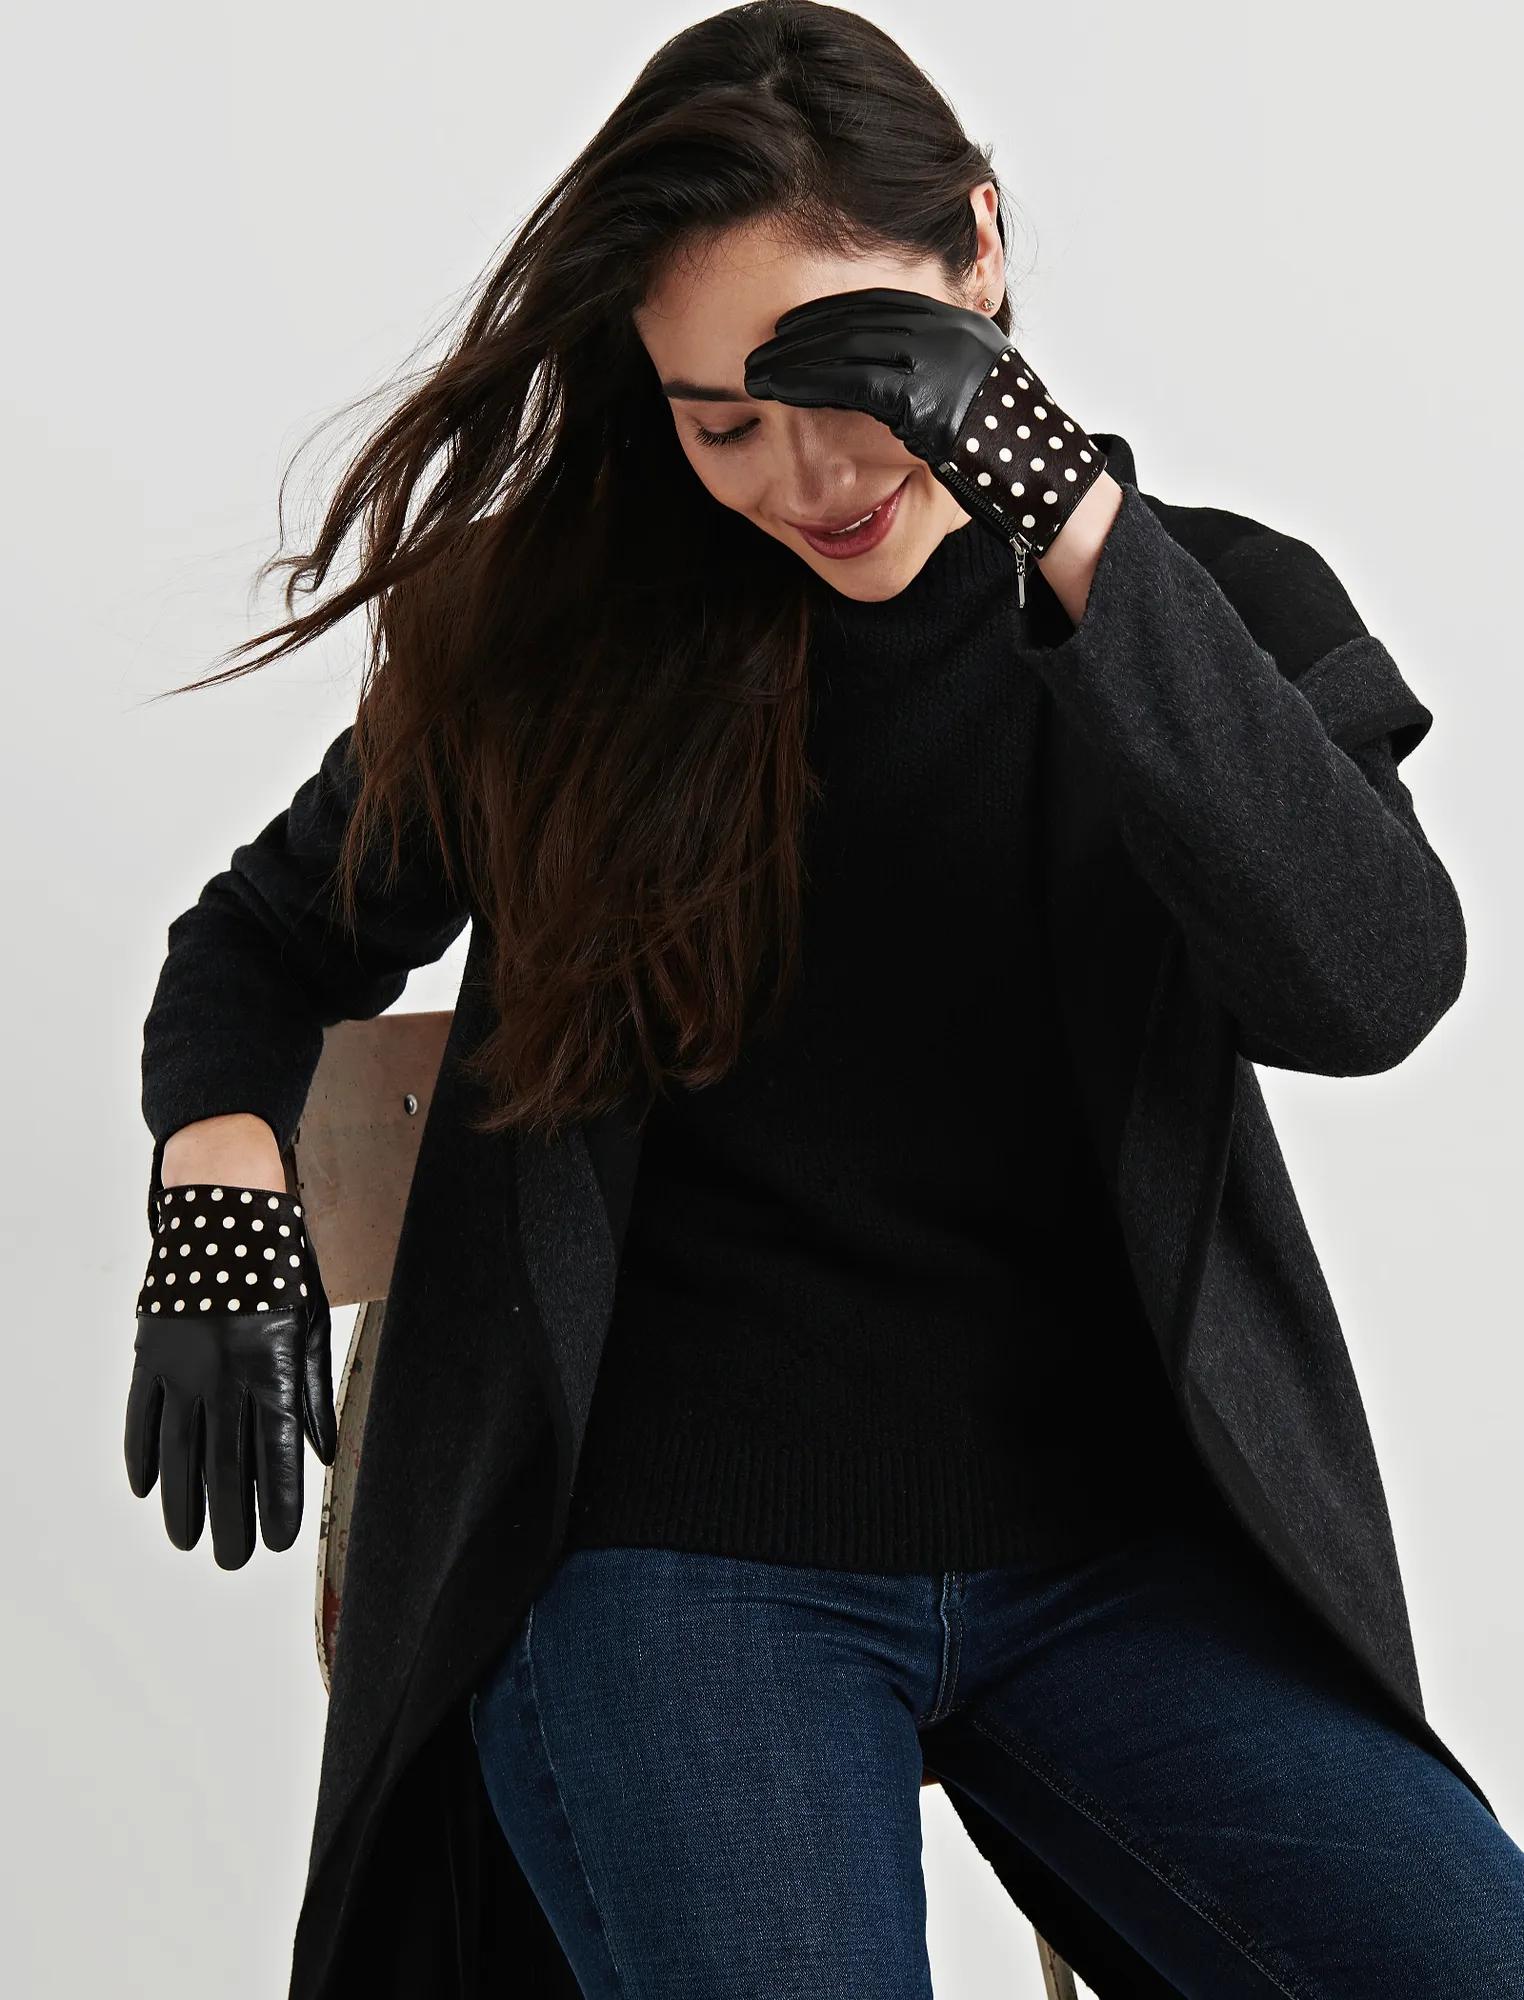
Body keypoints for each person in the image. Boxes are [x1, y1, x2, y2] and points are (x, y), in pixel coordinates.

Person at [125, 4, 1524, 1995]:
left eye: (857, 380)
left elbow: (1371, 987)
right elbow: (267, 941)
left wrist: (1067, 522)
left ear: (980, 253)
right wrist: (216, 1177)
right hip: (677, 1558)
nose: (805, 474)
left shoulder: (1211, 608)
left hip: (1122, 1560)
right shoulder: (561, 640)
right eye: (721, 423)